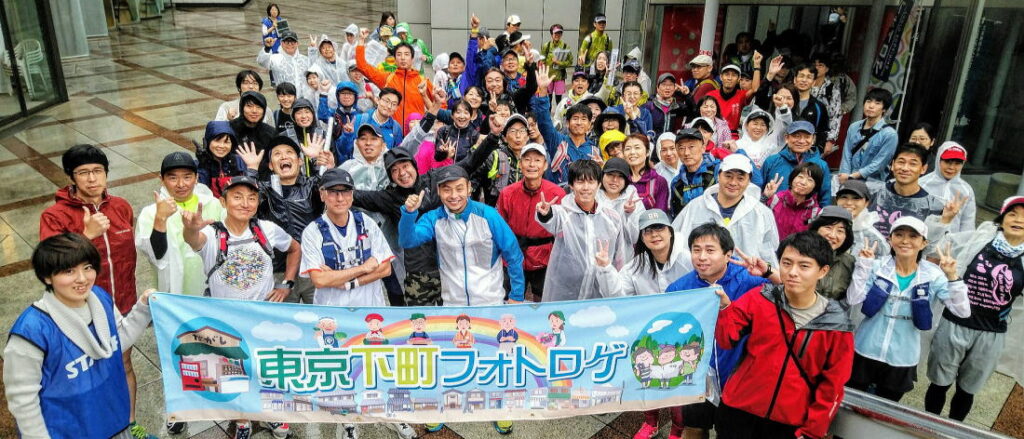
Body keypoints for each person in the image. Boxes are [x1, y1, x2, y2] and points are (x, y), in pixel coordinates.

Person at [39, 144, 153, 438]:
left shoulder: (121, 207)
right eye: (83, 172)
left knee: (123, 363)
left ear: (106, 173)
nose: (91, 179)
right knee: (87, 373)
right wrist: (85, 236)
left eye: (97, 171)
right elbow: (51, 265)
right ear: (71, 177)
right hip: (79, 311)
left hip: (122, 301)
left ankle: (129, 424)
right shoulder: (55, 216)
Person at [4, 233, 157, 439]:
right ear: (47, 277)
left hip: (114, 422)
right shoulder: (32, 331)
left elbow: (115, 343)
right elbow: (23, 400)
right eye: (69, 271)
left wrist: (143, 309)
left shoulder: (100, 298)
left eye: (87, 267)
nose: (83, 279)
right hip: (69, 432)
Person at [634, 222, 777, 439]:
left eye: (710, 250)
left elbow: (791, 294)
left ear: (728, 254)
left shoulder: (750, 280)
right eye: (696, 250)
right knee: (694, 427)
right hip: (697, 374)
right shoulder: (679, 289)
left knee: (731, 433)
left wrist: (768, 271)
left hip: (739, 376)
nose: (702, 257)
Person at [181, 176, 296, 438]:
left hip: (262, 318)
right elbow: (194, 240)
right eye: (237, 196)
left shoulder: (267, 230)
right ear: (223, 201)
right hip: (226, 322)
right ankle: (242, 420)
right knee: (232, 370)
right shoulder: (213, 235)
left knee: (265, 368)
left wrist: (286, 284)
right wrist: (190, 229)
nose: (245, 203)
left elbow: (294, 248)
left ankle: (269, 414)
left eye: (252, 198)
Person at [714, 231, 854, 439]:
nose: (792, 272)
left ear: (823, 271)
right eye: (786, 263)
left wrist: (812, 431)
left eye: (804, 266)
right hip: (738, 408)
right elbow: (726, 340)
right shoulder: (760, 298)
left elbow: (832, 386)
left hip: (788, 421)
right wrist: (725, 308)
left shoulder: (836, 325)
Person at [355, 124, 501, 307]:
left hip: (451, 265)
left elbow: (470, 163)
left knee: (455, 317)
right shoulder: (389, 197)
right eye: (394, 170)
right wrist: (328, 177)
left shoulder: (435, 178)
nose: (402, 173)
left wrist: (493, 137)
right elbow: (357, 196)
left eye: (405, 166)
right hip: (419, 273)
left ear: (414, 165)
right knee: (420, 320)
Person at [845, 216, 970, 402]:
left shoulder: (932, 275)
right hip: (865, 348)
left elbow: (962, 311)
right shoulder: (877, 267)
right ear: (890, 239)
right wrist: (863, 266)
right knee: (850, 401)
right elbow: (853, 298)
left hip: (902, 357)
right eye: (899, 235)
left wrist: (952, 277)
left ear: (923, 243)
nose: (905, 241)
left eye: (913, 236)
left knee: (886, 408)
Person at [925, 196, 1024, 421]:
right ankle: (929, 426)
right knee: (939, 383)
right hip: (953, 323)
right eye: (1013, 214)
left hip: (991, 333)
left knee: (967, 390)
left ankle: (954, 429)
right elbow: (936, 244)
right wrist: (944, 220)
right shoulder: (980, 239)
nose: (1018, 220)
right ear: (1001, 218)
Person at [398, 166, 525, 306]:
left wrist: (517, 295)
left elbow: (513, 255)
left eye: (459, 189)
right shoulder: (433, 218)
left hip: (490, 303)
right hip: (452, 305)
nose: (453, 196)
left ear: (469, 188)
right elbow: (407, 241)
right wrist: (409, 213)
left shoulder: (488, 215)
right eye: (447, 190)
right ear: (438, 191)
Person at [237, 135, 329, 304]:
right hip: (279, 271)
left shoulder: (311, 186)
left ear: (299, 161)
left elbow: (326, 186)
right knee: (284, 319)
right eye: (277, 154)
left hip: (314, 267)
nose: (284, 156)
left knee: (322, 317)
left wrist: (315, 159)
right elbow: (247, 202)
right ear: (271, 166)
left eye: (289, 152)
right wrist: (251, 169)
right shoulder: (265, 190)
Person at [536, 159, 631, 301]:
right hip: (565, 291)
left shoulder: (612, 218)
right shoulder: (564, 213)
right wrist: (545, 214)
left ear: (599, 184)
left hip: (599, 290)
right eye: (580, 182)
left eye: (591, 182)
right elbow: (552, 219)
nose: (586, 187)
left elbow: (620, 257)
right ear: (571, 185)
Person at [300, 167, 394, 306]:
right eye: (333, 192)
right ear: (322, 194)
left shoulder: (366, 222)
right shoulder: (312, 231)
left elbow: (385, 269)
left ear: (352, 194)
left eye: (346, 191)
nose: (340, 198)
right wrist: (363, 268)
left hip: (369, 307)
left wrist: (348, 283)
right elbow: (320, 280)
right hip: (332, 309)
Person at [136, 152, 226, 297]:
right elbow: (155, 255)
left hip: (212, 289)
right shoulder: (150, 213)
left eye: (187, 177)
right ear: (162, 179)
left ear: (196, 178)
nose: (181, 184)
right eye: (173, 178)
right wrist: (160, 219)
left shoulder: (213, 204)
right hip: (173, 294)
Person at [673, 154, 780, 264]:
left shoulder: (761, 213)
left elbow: (770, 256)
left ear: (749, 180)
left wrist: (769, 271)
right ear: (718, 176)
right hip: (701, 273)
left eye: (740, 178)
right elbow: (676, 244)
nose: (733, 183)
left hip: (747, 274)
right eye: (728, 176)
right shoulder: (695, 207)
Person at [496, 144, 565, 302]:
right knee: (510, 301)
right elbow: (501, 228)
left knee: (544, 301)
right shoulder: (507, 193)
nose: (532, 164)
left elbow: (562, 230)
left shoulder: (557, 194)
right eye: (527, 160)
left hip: (545, 257)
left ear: (545, 165)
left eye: (537, 160)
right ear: (520, 164)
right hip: (514, 256)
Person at [868, 142, 961, 240]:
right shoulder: (872, 192)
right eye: (901, 162)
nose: (905, 168)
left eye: (913, 164)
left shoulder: (934, 207)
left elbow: (932, 244)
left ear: (923, 169)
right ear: (893, 165)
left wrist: (945, 220)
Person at [595, 209, 693, 299]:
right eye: (648, 231)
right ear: (642, 238)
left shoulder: (688, 260)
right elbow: (618, 297)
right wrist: (605, 268)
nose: (654, 234)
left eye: (659, 228)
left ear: (671, 232)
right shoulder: (635, 267)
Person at [356, 28, 436, 133]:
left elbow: (441, 105)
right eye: (399, 54)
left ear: (412, 59)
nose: (402, 58)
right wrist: (361, 40)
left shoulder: (422, 81)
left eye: (406, 54)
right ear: (394, 59)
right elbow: (362, 66)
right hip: (392, 134)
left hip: (415, 134)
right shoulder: (387, 79)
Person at [532, 66, 600, 184]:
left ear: (590, 125)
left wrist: (600, 168)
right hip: (558, 193)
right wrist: (543, 91)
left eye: (584, 119)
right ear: (567, 123)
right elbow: (544, 122)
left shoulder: (594, 151)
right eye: (575, 118)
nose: (579, 122)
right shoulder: (558, 141)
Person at [761, 120, 832, 205]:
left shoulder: (821, 165)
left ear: (813, 139)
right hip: (772, 211)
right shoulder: (772, 161)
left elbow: (825, 199)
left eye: (807, 137)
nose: (801, 141)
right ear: (786, 138)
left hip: (807, 212)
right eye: (796, 136)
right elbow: (759, 189)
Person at [837, 88, 898, 184]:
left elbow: (879, 164)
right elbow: (846, 154)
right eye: (868, 101)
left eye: (877, 103)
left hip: (873, 184)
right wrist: (845, 175)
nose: (871, 106)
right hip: (848, 181)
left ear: (884, 109)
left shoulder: (890, 134)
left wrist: (852, 176)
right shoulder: (854, 127)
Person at [919, 141, 976, 233]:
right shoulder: (922, 184)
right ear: (938, 160)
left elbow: (968, 223)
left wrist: (964, 241)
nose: (951, 167)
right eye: (947, 161)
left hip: (951, 240)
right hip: (923, 237)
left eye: (957, 163)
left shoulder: (966, 190)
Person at [762, 161, 825, 240]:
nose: (803, 182)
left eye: (810, 180)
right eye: (800, 177)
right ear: (792, 178)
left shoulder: (815, 213)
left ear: (815, 186)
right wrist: (765, 197)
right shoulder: (775, 200)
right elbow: (755, 219)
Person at [808, 206, 856, 301]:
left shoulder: (849, 262)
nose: (833, 235)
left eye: (840, 231)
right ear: (816, 229)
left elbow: (850, 299)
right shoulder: (798, 252)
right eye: (828, 228)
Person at [668, 128, 719, 217]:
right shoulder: (677, 183)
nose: (686, 153)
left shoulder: (717, 171)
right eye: (681, 148)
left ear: (703, 148)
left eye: (691, 147)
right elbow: (677, 216)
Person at [707, 55, 762, 135]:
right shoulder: (710, 95)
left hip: (732, 136)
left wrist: (757, 66)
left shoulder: (741, 95)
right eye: (727, 74)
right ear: (721, 77)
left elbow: (755, 89)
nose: (730, 78)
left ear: (738, 79)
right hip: (712, 134)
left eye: (733, 75)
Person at [598, 158, 646, 247]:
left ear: (626, 180)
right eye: (610, 174)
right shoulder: (594, 195)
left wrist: (629, 214)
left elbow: (634, 238)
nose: (615, 180)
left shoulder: (632, 198)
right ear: (602, 175)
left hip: (624, 253)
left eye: (620, 176)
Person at [834, 178, 888, 257]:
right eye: (844, 197)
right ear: (837, 200)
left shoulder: (873, 237)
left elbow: (884, 261)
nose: (849, 202)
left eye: (856, 198)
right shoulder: (823, 227)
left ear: (866, 203)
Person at [195, 121, 244, 198]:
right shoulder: (197, 165)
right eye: (217, 141)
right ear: (207, 142)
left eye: (226, 142)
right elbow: (200, 193)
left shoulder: (239, 161)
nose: (221, 146)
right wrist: (204, 166)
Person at [790, 63, 831, 153]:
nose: (804, 80)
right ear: (795, 79)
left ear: (813, 82)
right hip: (783, 152)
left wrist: (817, 153)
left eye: (809, 77)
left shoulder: (819, 107)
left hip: (807, 154)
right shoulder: (785, 102)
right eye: (801, 76)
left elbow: (822, 133)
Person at [623, 133, 669, 211]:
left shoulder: (659, 181)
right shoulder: (620, 179)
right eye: (628, 149)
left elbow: (660, 213)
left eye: (637, 148)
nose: (632, 152)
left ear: (647, 152)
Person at [809, 53, 843, 155]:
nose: (816, 68)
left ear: (827, 69)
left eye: (820, 65)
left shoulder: (832, 89)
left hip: (820, 134)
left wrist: (830, 140)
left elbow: (836, 115)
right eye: (814, 65)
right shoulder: (803, 83)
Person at [228, 91, 277, 157]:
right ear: (242, 108)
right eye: (249, 106)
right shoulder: (229, 129)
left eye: (258, 107)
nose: (254, 111)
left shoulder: (271, 133)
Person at [541, 24, 572, 103]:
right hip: (548, 76)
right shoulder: (546, 46)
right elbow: (542, 61)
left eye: (559, 33)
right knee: (548, 98)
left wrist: (559, 62)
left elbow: (570, 62)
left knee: (559, 99)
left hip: (560, 76)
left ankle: (559, 111)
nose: (557, 35)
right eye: (555, 33)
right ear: (552, 34)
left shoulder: (565, 46)